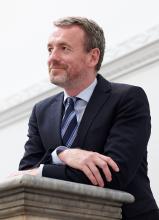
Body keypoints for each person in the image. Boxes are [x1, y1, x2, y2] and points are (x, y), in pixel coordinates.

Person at [17, 17, 159, 219]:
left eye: (64, 48)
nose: (52, 58)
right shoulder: (41, 111)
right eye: (50, 49)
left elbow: (111, 176)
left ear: (93, 57)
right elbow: (26, 170)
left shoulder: (128, 99)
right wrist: (63, 154)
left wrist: (41, 172)